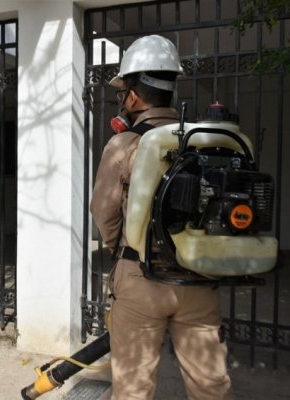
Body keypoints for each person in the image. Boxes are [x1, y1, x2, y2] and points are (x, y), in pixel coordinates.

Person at [90, 36, 232, 399]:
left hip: (141, 278)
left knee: (133, 388)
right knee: (210, 386)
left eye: (123, 92)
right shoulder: (203, 141)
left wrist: (123, 251)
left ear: (133, 96)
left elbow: (103, 213)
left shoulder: (125, 144)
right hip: (198, 278)